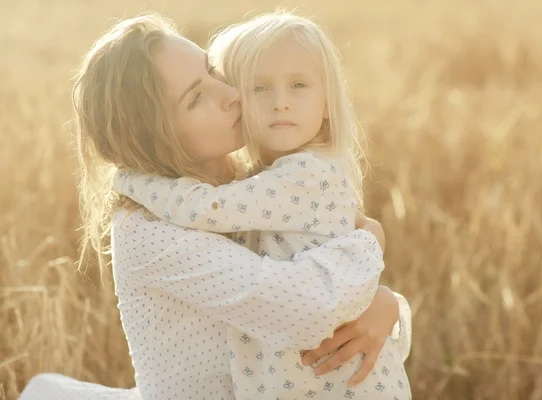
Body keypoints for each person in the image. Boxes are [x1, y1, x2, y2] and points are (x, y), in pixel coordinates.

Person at [19, 12, 411, 400]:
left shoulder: (252, 180)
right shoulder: (147, 231)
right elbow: (305, 308)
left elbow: (329, 285)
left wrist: (389, 305)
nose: (232, 94)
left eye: (211, 70)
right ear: (155, 138)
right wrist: (370, 243)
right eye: (196, 97)